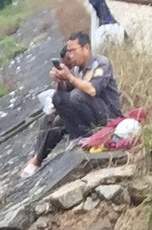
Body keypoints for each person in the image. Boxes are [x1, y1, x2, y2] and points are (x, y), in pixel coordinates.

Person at [23, 33, 124, 177]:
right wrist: (60, 80)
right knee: (58, 101)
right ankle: (40, 157)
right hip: (88, 113)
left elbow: (92, 90)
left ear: (86, 48)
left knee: (78, 95)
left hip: (109, 116)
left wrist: (70, 77)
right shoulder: (77, 70)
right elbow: (64, 96)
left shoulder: (101, 63)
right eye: (68, 52)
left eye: (72, 51)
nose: (70, 56)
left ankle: (90, 135)